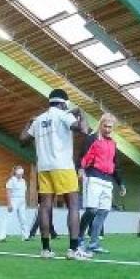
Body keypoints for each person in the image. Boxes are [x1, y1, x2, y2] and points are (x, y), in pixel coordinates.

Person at [20, 88, 91, 260]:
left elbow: (22, 140)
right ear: (64, 103)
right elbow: (85, 130)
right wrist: (81, 112)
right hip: (63, 166)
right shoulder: (64, 115)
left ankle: (45, 249)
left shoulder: (39, 120)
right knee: (73, 205)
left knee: (45, 206)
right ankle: (73, 250)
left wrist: (29, 123)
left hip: (44, 167)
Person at [78, 113, 126, 254]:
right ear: (100, 125)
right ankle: (79, 239)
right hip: (93, 177)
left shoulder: (113, 143)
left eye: (110, 127)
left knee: (103, 212)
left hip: (107, 181)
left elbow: (115, 165)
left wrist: (121, 183)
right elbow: (82, 155)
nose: (107, 129)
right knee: (91, 210)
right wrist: (80, 169)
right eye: (105, 126)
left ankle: (94, 243)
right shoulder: (91, 138)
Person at [0, 165, 29, 242]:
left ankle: (25, 236)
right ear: (15, 172)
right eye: (19, 170)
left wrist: (25, 203)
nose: (21, 173)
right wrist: (9, 204)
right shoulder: (11, 181)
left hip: (22, 201)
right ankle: (1, 237)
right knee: (8, 218)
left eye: (21, 171)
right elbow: (8, 193)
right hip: (14, 200)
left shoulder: (23, 181)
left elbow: (24, 193)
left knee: (23, 219)